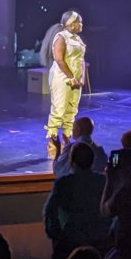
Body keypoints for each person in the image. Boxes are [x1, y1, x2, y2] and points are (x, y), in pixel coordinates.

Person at [43, 142, 109, 259]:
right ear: (92, 161)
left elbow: (50, 211)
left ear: (72, 161)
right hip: (98, 240)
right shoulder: (103, 181)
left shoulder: (64, 183)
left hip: (70, 240)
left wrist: (56, 234)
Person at [45, 11, 87, 158]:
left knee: (72, 110)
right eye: (79, 21)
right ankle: (52, 144)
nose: (81, 24)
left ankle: (66, 141)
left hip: (75, 78)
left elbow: (81, 59)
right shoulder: (61, 37)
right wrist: (70, 76)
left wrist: (81, 77)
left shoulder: (78, 39)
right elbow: (59, 59)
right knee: (59, 109)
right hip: (62, 77)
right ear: (71, 24)